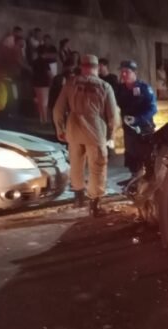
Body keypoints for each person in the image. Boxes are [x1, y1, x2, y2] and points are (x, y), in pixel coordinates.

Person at [53, 54, 118, 217]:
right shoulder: (105, 86)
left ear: (81, 67)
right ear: (97, 68)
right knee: (97, 167)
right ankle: (94, 204)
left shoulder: (70, 84)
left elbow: (58, 109)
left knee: (76, 164)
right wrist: (111, 135)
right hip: (95, 131)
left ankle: (78, 198)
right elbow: (113, 116)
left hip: (73, 129)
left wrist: (60, 129)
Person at [116, 60, 157, 176]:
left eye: (126, 72)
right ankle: (135, 181)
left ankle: (149, 182)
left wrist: (137, 119)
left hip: (144, 129)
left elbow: (153, 109)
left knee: (147, 158)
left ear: (135, 73)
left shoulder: (144, 88)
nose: (123, 74)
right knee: (132, 159)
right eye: (122, 72)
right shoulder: (120, 89)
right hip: (129, 131)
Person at [32, 46, 55, 123]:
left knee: (39, 102)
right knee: (44, 102)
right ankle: (45, 119)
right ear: (45, 53)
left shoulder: (35, 62)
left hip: (36, 83)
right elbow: (49, 73)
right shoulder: (45, 62)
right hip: (44, 83)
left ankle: (41, 119)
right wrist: (53, 80)